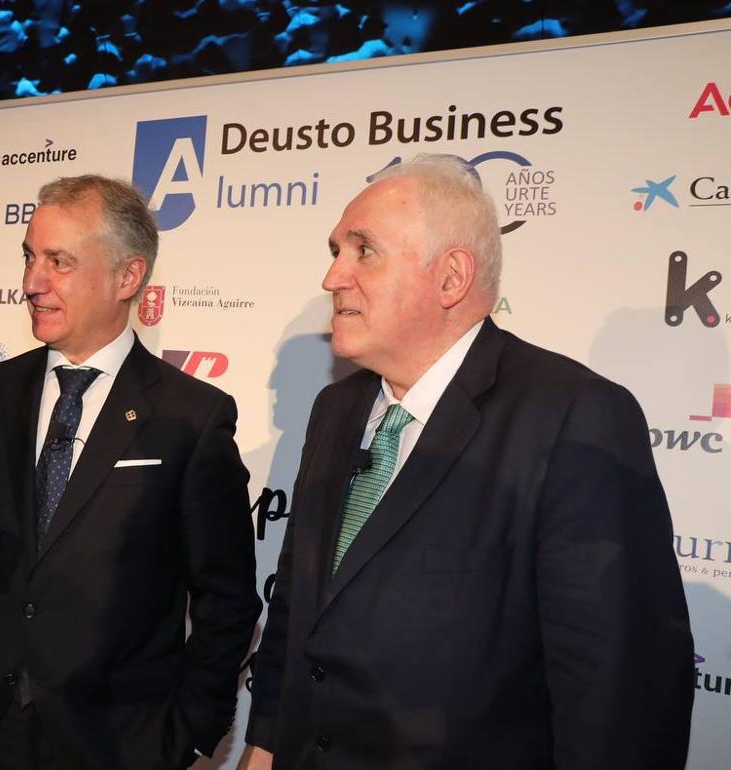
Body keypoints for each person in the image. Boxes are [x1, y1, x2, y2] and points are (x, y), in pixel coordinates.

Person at [238, 154, 694, 770]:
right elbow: (297, 602)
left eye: (362, 250)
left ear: (451, 277)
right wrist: (264, 743)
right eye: (335, 249)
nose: (332, 277)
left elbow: (620, 688)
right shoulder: (335, 407)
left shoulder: (573, 416)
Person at [0, 175, 261, 770]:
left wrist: (191, 732)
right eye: (29, 257)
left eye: (59, 262)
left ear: (128, 277)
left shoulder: (192, 417)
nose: (32, 283)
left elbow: (225, 600)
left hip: (116, 745)